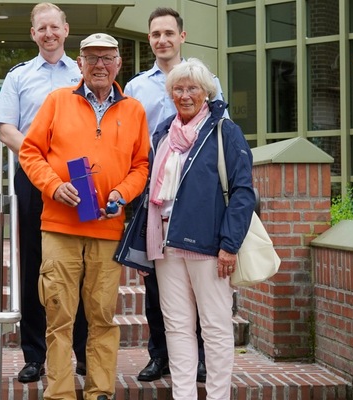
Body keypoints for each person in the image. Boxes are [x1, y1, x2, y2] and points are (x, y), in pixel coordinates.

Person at [19, 33, 149, 400]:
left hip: (107, 229)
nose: (99, 65)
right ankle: (59, 393)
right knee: (59, 316)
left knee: (102, 317)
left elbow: (141, 166)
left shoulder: (134, 110)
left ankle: (100, 392)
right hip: (59, 227)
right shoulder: (57, 101)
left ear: (119, 63)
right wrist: (53, 185)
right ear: (79, 63)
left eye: (107, 58)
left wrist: (122, 193)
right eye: (91, 58)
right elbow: (30, 153)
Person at [122, 6, 228, 383]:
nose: (162, 40)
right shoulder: (135, 87)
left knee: (199, 286)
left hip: (196, 198)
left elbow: (220, 134)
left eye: (169, 33)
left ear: (181, 36)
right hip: (152, 195)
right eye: (155, 34)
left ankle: (198, 358)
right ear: (149, 40)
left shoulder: (205, 78)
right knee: (156, 282)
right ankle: (159, 354)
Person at [0, 2, 88, 384]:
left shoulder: (82, 73)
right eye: (41, 28)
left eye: (54, 27)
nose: (48, 34)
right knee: (33, 265)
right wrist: (41, 157)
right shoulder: (19, 76)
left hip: (78, 180)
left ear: (66, 30)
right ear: (33, 34)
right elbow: (7, 128)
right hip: (32, 178)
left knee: (76, 264)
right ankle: (35, 354)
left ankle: (78, 351)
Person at [145, 58, 254, 400]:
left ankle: (218, 396)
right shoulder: (163, 132)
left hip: (209, 246)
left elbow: (243, 193)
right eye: (178, 88)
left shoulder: (224, 130)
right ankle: (184, 395)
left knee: (216, 326)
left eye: (192, 88)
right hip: (165, 244)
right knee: (176, 328)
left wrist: (229, 244)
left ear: (206, 92)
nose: (185, 94)